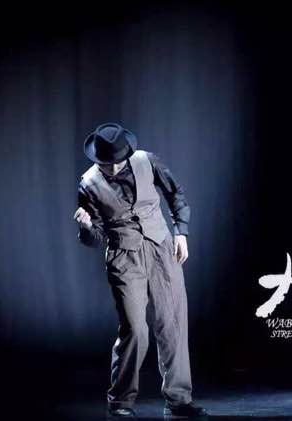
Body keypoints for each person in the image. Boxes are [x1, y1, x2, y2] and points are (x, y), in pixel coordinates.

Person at [73, 123, 207, 418]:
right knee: (134, 330)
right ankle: (120, 402)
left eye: (118, 161)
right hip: (124, 258)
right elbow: (95, 238)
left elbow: (175, 194)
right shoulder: (88, 184)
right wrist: (85, 227)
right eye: (107, 163)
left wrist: (181, 232)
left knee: (172, 323)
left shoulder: (147, 161)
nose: (113, 168)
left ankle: (179, 400)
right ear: (97, 158)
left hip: (161, 249)